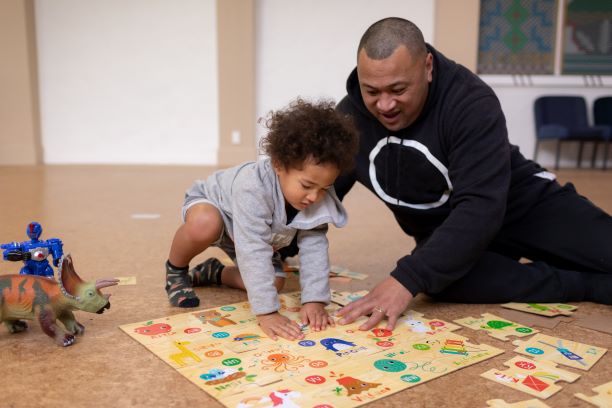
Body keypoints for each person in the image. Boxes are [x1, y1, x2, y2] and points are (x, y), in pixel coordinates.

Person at [333, 17, 612, 331]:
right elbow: (316, 188)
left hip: (524, 206)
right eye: (372, 91)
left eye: (398, 89)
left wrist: (405, 279)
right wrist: (277, 250)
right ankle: (586, 284)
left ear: (427, 67)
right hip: (452, 231)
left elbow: (480, 207)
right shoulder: (348, 118)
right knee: (438, 280)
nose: (384, 104)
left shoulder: (470, 101)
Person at [165, 98, 358, 341]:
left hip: (251, 231)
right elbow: (253, 248)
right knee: (205, 225)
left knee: (275, 282)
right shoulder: (252, 187)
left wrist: (315, 300)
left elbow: (315, 246)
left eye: (324, 187)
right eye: (307, 185)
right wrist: (267, 313)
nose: (314, 196)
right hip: (218, 208)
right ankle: (176, 270)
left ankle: (215, 273)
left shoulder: (316, 195)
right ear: (279, 164)